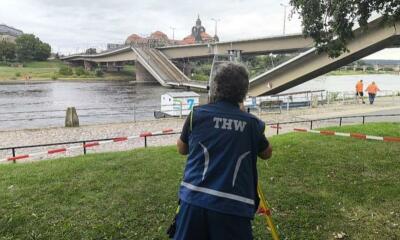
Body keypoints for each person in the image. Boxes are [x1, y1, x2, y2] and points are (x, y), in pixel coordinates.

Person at [174, 62, 273, 239]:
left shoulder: (196, 115)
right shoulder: (252, 123)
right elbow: (267, 153)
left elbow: (182, 149)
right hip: (234, 207)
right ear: (244, 91)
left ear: (216, 86)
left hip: (193, 201)